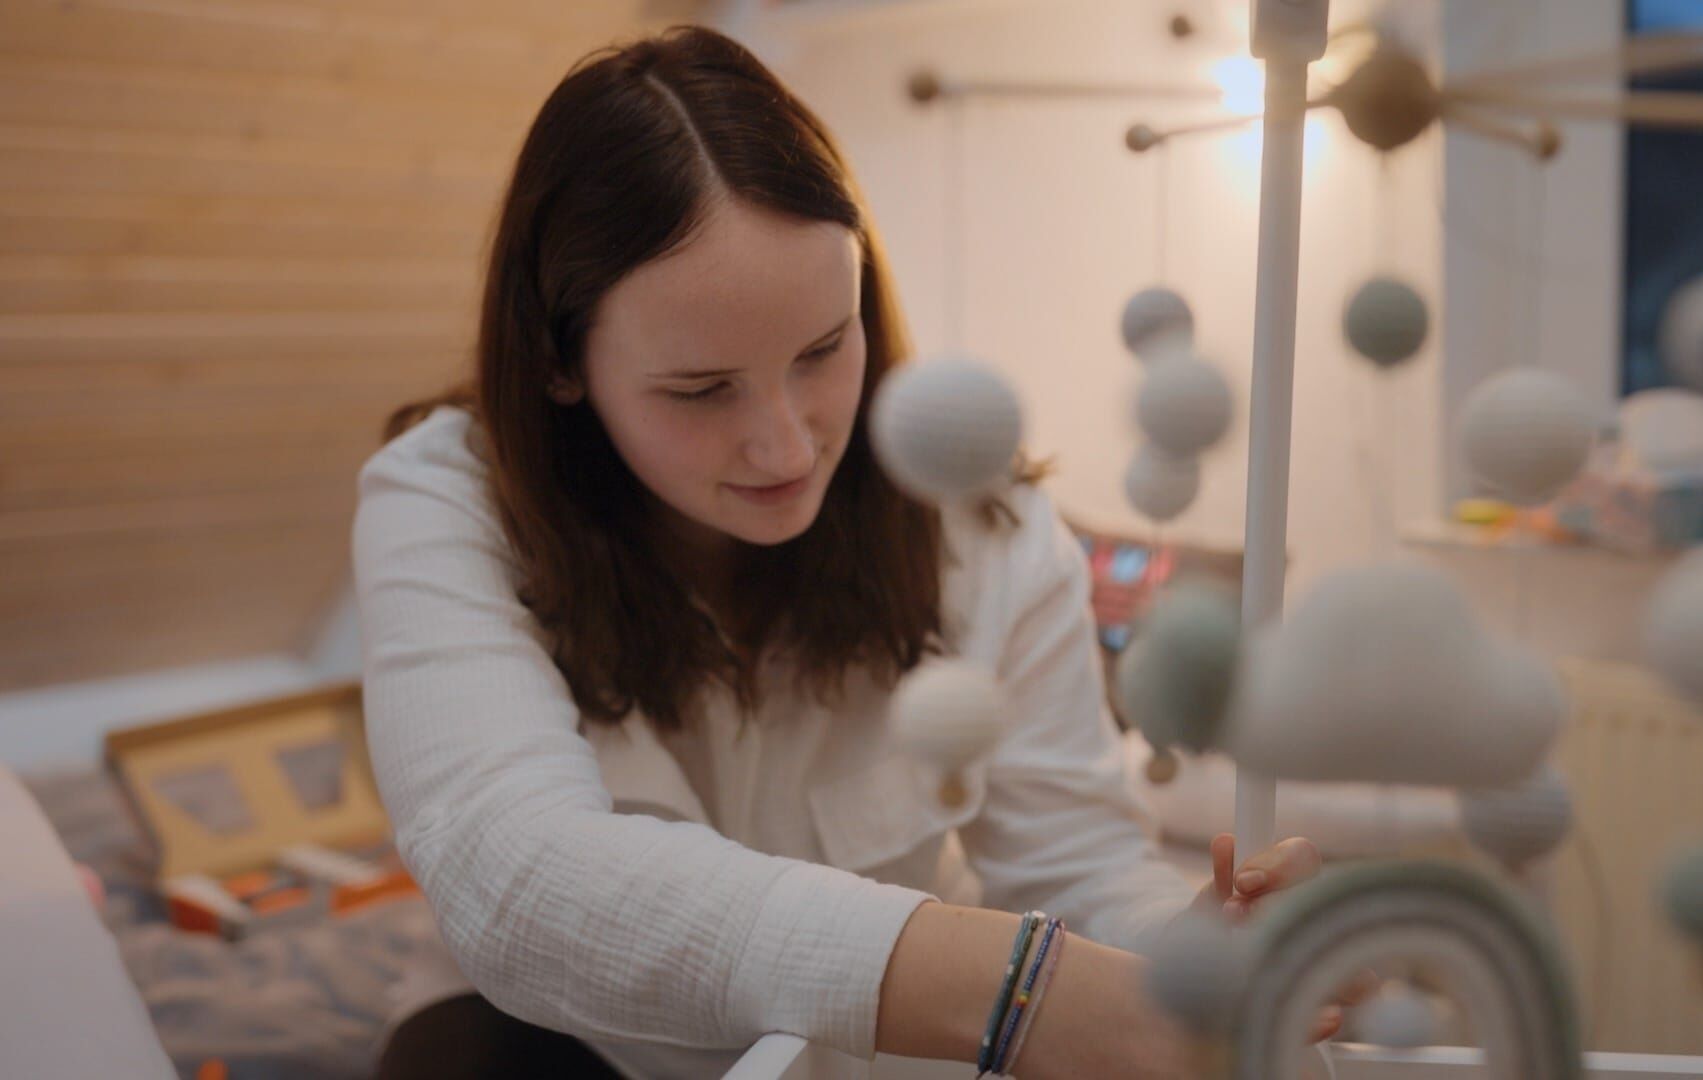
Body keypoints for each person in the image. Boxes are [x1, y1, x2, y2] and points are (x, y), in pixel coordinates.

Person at [355, 24, 1350, 1080]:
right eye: (701, 390)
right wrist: (1020, 992)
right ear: (560, 363)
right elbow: (514, 875)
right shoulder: (447, 499)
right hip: (585, 1050)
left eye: (825, 349)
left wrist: (1193, 953)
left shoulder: (979, 526)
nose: (788, 446)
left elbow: (1076, 863)